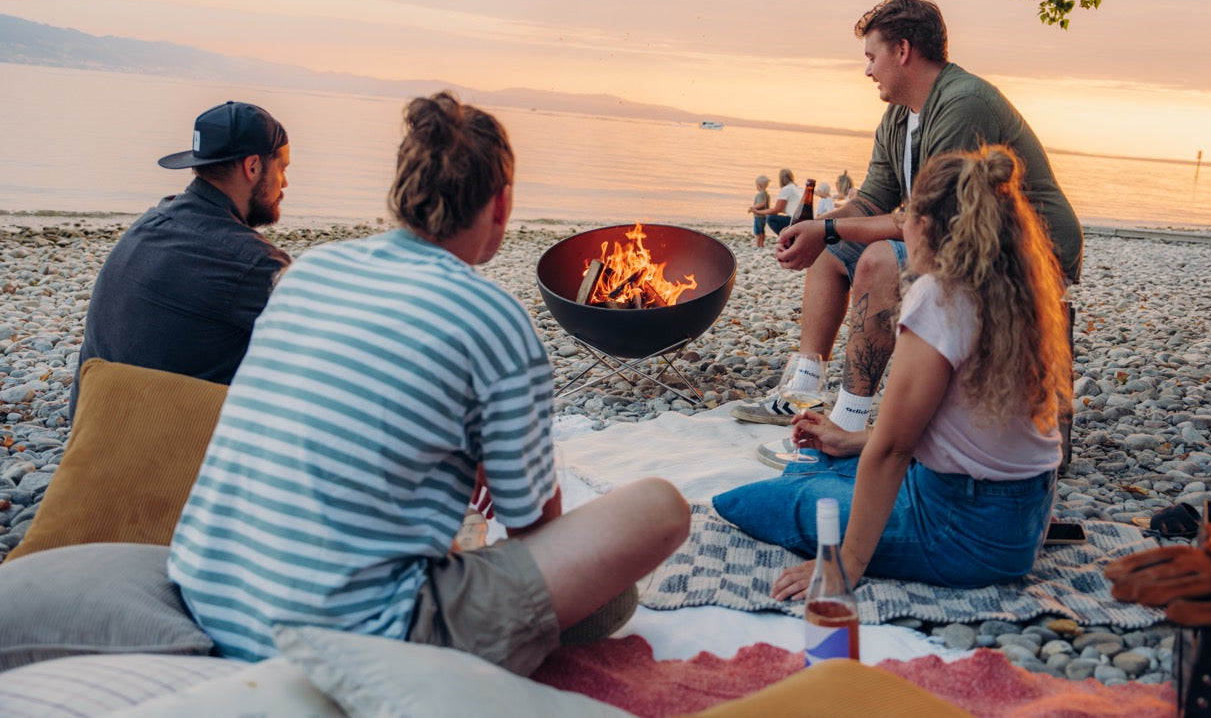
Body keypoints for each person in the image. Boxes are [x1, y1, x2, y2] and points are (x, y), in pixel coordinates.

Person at [168, 92, 690, 674]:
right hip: (352, 640)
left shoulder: (309, 272)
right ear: (501, 203)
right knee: (653, 519)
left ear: (401, 190)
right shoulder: (490, 317)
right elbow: (535, 534)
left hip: (208, 595)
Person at [714, 145, 1071, 590]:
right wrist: (852, 440)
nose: (900, 230)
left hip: (965, 531)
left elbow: (894, 451)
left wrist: (846, 564)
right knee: (823, 458)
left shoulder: (940, 297)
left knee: (765, 500)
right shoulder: (1018, 289)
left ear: (923, 226)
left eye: (905, 221)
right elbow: (952, 429)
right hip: (1025, 514)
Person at [732, 0, 1081, 434]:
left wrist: (831, 227)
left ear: (902, 51)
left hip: (1024, 253)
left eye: (871, 56)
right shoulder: (898, 118)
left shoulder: (963, 103)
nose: (867, 70)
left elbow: (927, 218)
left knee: (878, 260)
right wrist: (817, 230)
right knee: (830, 251)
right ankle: (803, 387)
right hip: (958, 239)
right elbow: (875, 197)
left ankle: (850, 421)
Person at [68, 100, 292, 419]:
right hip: (165, 453)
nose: (284, 183)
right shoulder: (250, 261)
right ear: (253, 166)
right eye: (282, 168)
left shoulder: (151, 221)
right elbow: (327, 351)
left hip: (92, 436)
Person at [761, 168, 803, 237]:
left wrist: (759, 212)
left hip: (794, 220)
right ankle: (789, 236)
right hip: (802, 219)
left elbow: (777, 210)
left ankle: (785, 237)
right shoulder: (797, 188)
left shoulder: (786, 189)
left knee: (771, 218)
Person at [748, 174, 770, 247]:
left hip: (759, 216)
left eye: (756, 185)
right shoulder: (766, 194)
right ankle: (762, 244)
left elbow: (762, 204)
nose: (756, 186)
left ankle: (758, 244)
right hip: (764, 215)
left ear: (759, 185)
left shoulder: (760, 194)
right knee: (762, 231)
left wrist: (753, 208)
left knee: (757, 231)